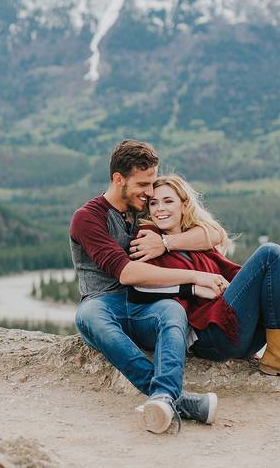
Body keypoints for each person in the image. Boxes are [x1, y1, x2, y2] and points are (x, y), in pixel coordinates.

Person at [70, 140, 230, 434]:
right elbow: (127, 273)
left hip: (145, 303)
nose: (150, 192)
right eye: (143, 184)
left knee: (172, 310)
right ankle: (172, 398)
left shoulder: (142, 211)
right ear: (118, 179)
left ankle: (164, 399)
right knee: (89, 316)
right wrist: (194, 277)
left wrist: (168, 242)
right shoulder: (87, 218)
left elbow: (211, 233)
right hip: (104, 302)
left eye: (152, 183)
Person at [127, 174, 280, 381]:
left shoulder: (193, 238)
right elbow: (141, 285)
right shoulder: (147, 239)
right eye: (154, 203)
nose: (160, 209)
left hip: (235, 326)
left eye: (168, 201)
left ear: (184, 205)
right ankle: (279, 355)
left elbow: (233, 272)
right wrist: (192, 284)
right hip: (211, 337)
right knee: (270, 254)